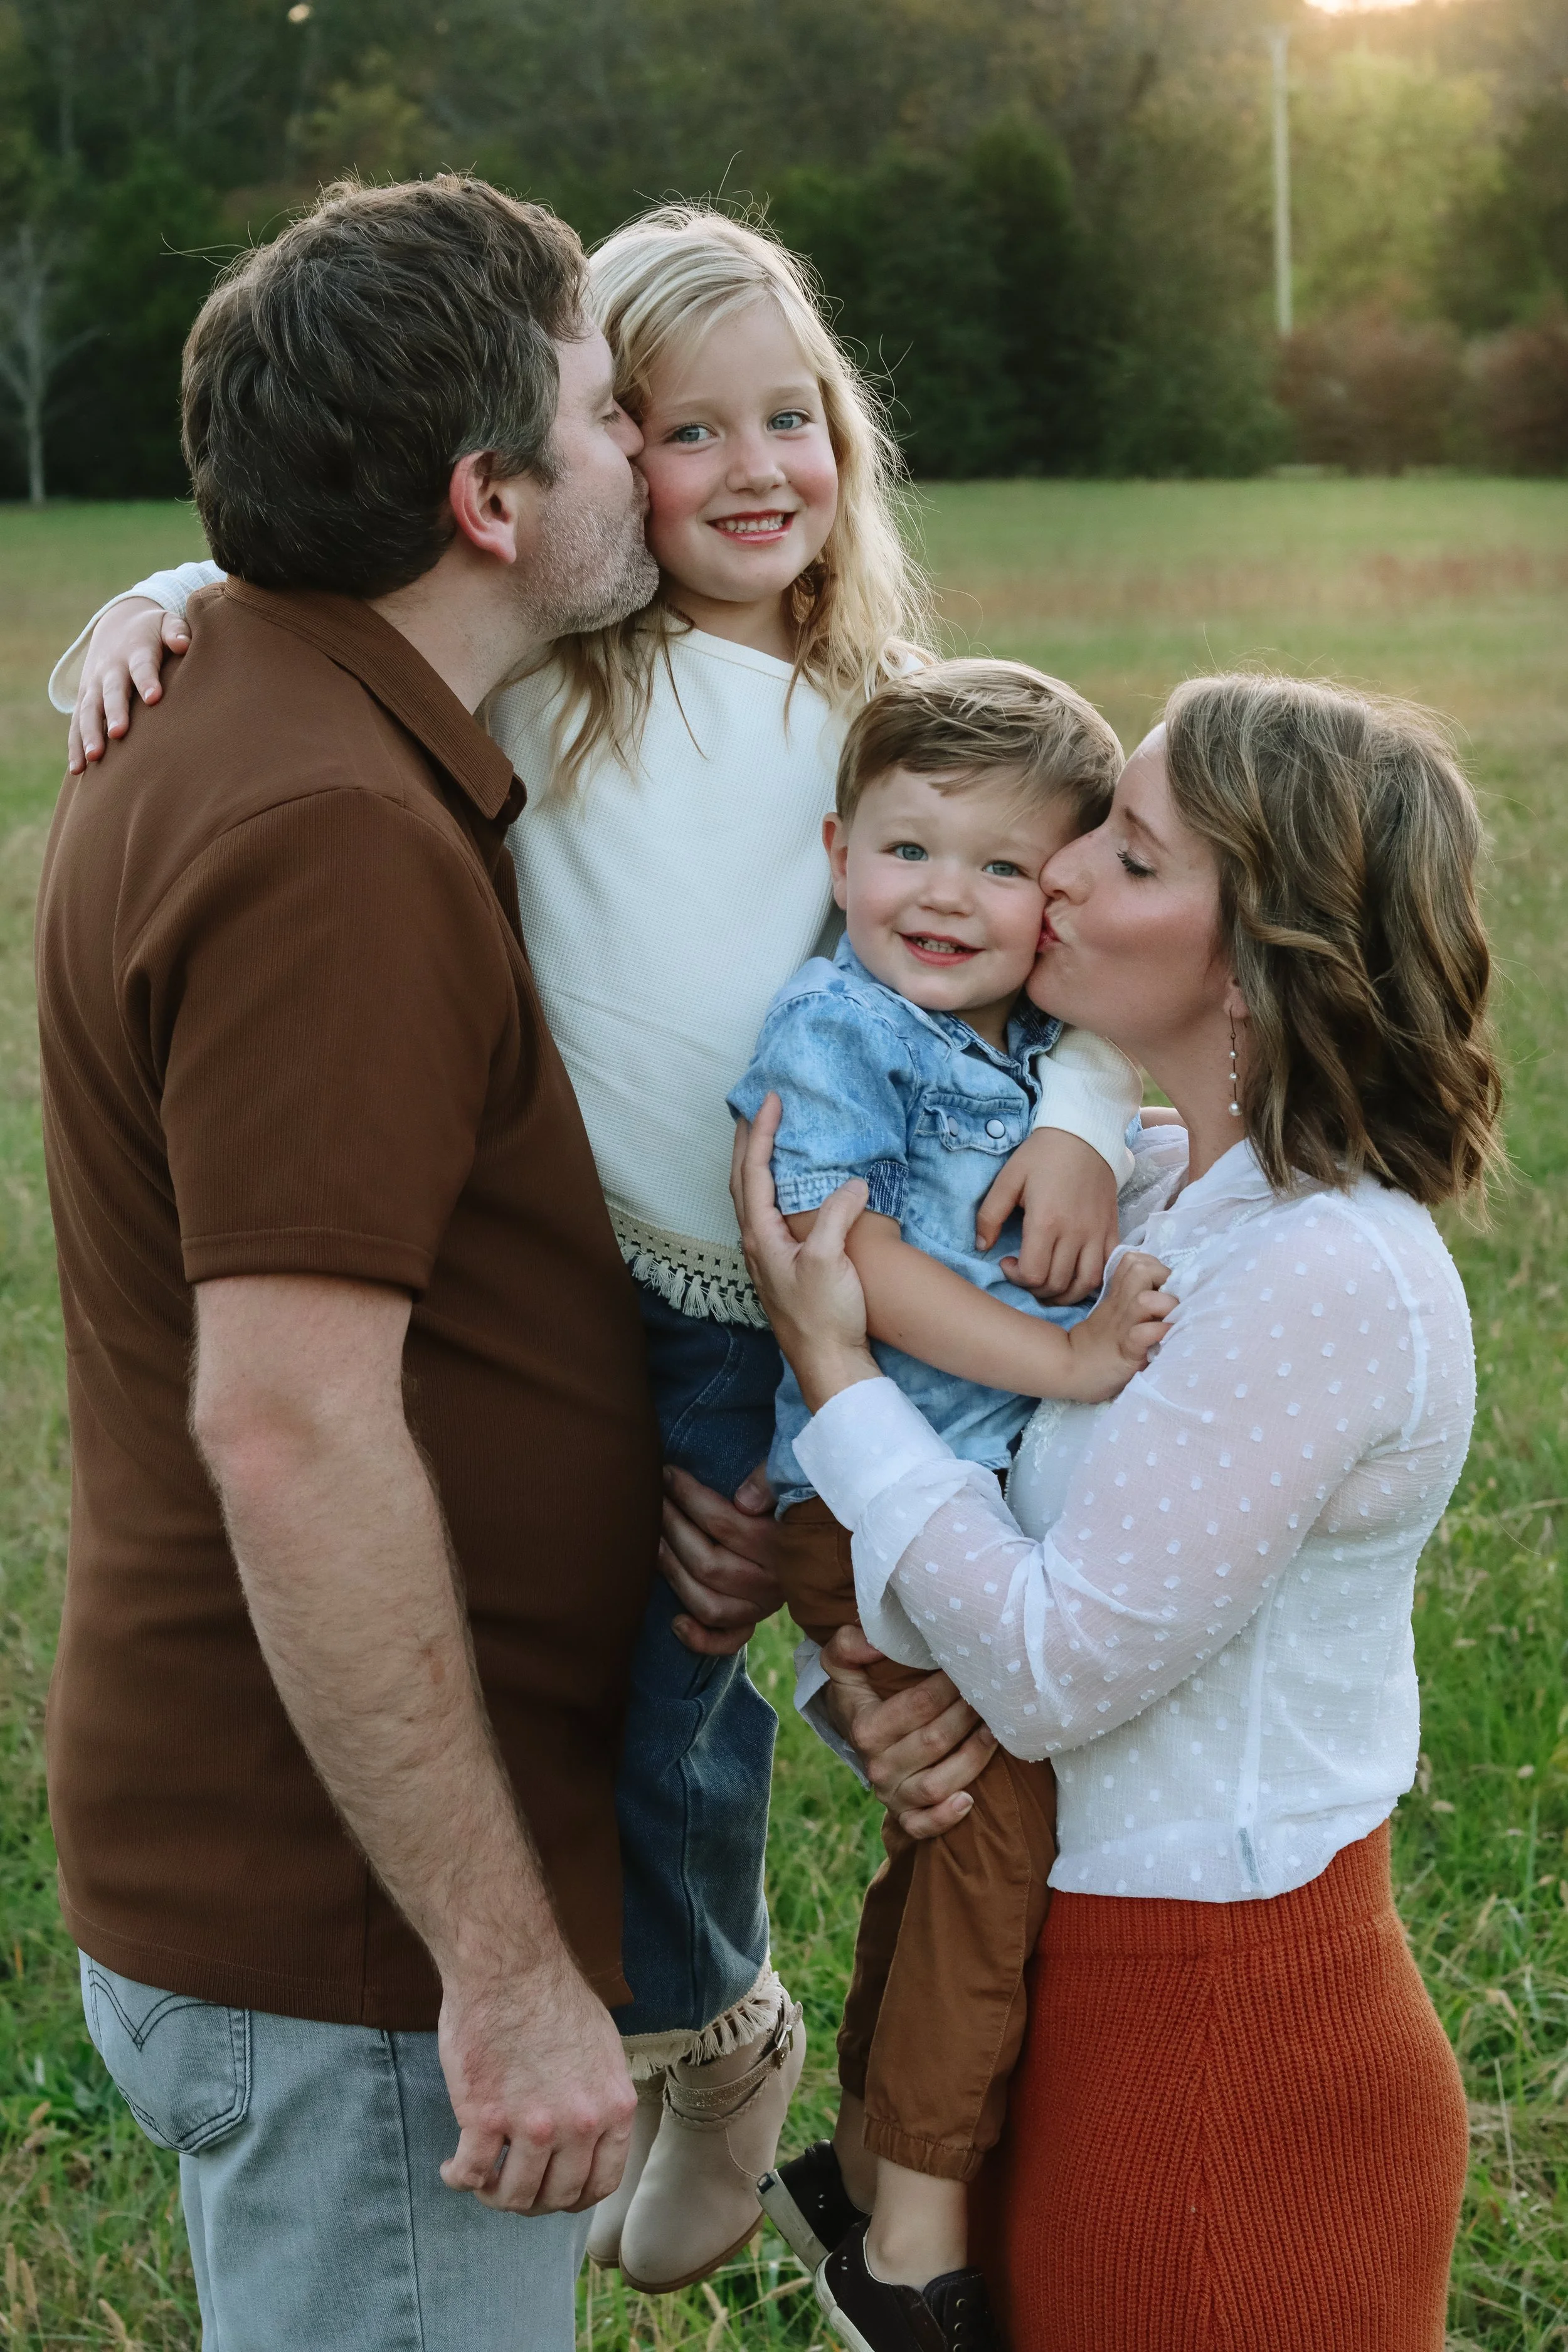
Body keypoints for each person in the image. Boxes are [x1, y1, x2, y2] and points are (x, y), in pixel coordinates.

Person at [52, 206, 1136, 2292]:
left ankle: (755, 2008)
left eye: (781, 418)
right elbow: (311, 583)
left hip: (778, 1298)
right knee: (673, 1668)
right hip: (578, 1320)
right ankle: (721, 2026)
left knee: (722, 1657)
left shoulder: (866, 728)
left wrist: (1083, 1111)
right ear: (517, 490)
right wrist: (156, 594)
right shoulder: (498, 712)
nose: (707, 466)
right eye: (639, 419)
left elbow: (1059, 926)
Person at [35, 175, 675, 2352]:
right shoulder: (329, 827)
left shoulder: (255, 690)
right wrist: (495, 1967)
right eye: (603, 413)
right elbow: (291, 1429)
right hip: (357, 1940)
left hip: (316, 1884)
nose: (643, 451)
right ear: (488, 499)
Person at [736, 673, 1500, 2352]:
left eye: (1129, 857)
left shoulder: (1326, 1273)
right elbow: (989, 1534)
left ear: (1264, 958)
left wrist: (832, 1370)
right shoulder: (1152, 1191)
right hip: (1067, 2002)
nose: (1058, 871)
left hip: (1224, 2068)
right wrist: (870, 1694)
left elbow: (1052, 1663)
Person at [726, 659, 1168, 2352]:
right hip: (862, 1494)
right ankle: (910, 2241)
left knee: (951, 1831)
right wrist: (1061, 1363)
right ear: (838, 853)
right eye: (908, 850)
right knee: (994, 1836)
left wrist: (1086, 1116)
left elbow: (1130, 1044)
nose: (944, 898)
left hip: (956, 1492)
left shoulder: (1042, 1037)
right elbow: (843, 1260)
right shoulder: (835, 1027)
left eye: (1001, 868)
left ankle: (852, 2160)